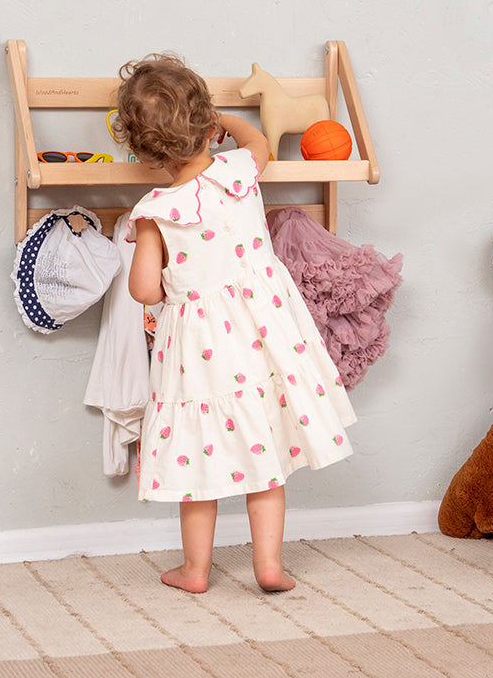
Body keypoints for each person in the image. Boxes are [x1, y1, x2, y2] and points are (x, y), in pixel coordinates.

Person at [113, 53, 357, 593]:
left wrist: (138, 241)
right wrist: (230, 122)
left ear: (141, 149)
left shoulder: (157, 210)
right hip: (259, 339)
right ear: (207, 125)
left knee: (199, 468)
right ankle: (268, 565)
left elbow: (143, 291)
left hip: (198, 350)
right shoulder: (237, 172)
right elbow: (259, 143)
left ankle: (195, 571)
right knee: (263, 456)